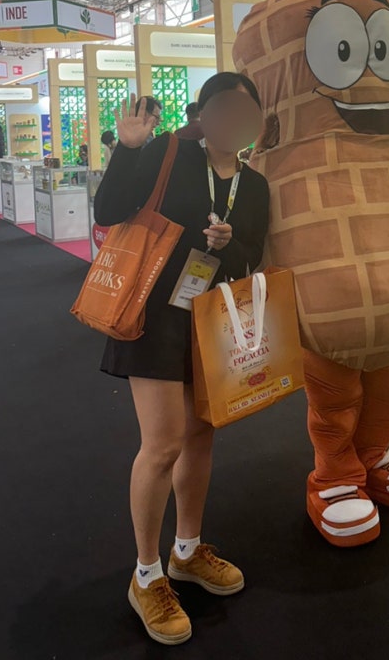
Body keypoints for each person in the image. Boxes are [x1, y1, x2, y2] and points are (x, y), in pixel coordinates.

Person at [93, 73, 267, 646]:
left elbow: (252, 257)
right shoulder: (170, 153)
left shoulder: (255, 185)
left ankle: (186, 551)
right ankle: (146, 575)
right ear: (203, 113)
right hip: (152, 314)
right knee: (163, 444)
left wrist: (228, 244)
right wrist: (129, 147)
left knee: (200, 436)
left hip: (210, 319)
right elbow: (109, 209)